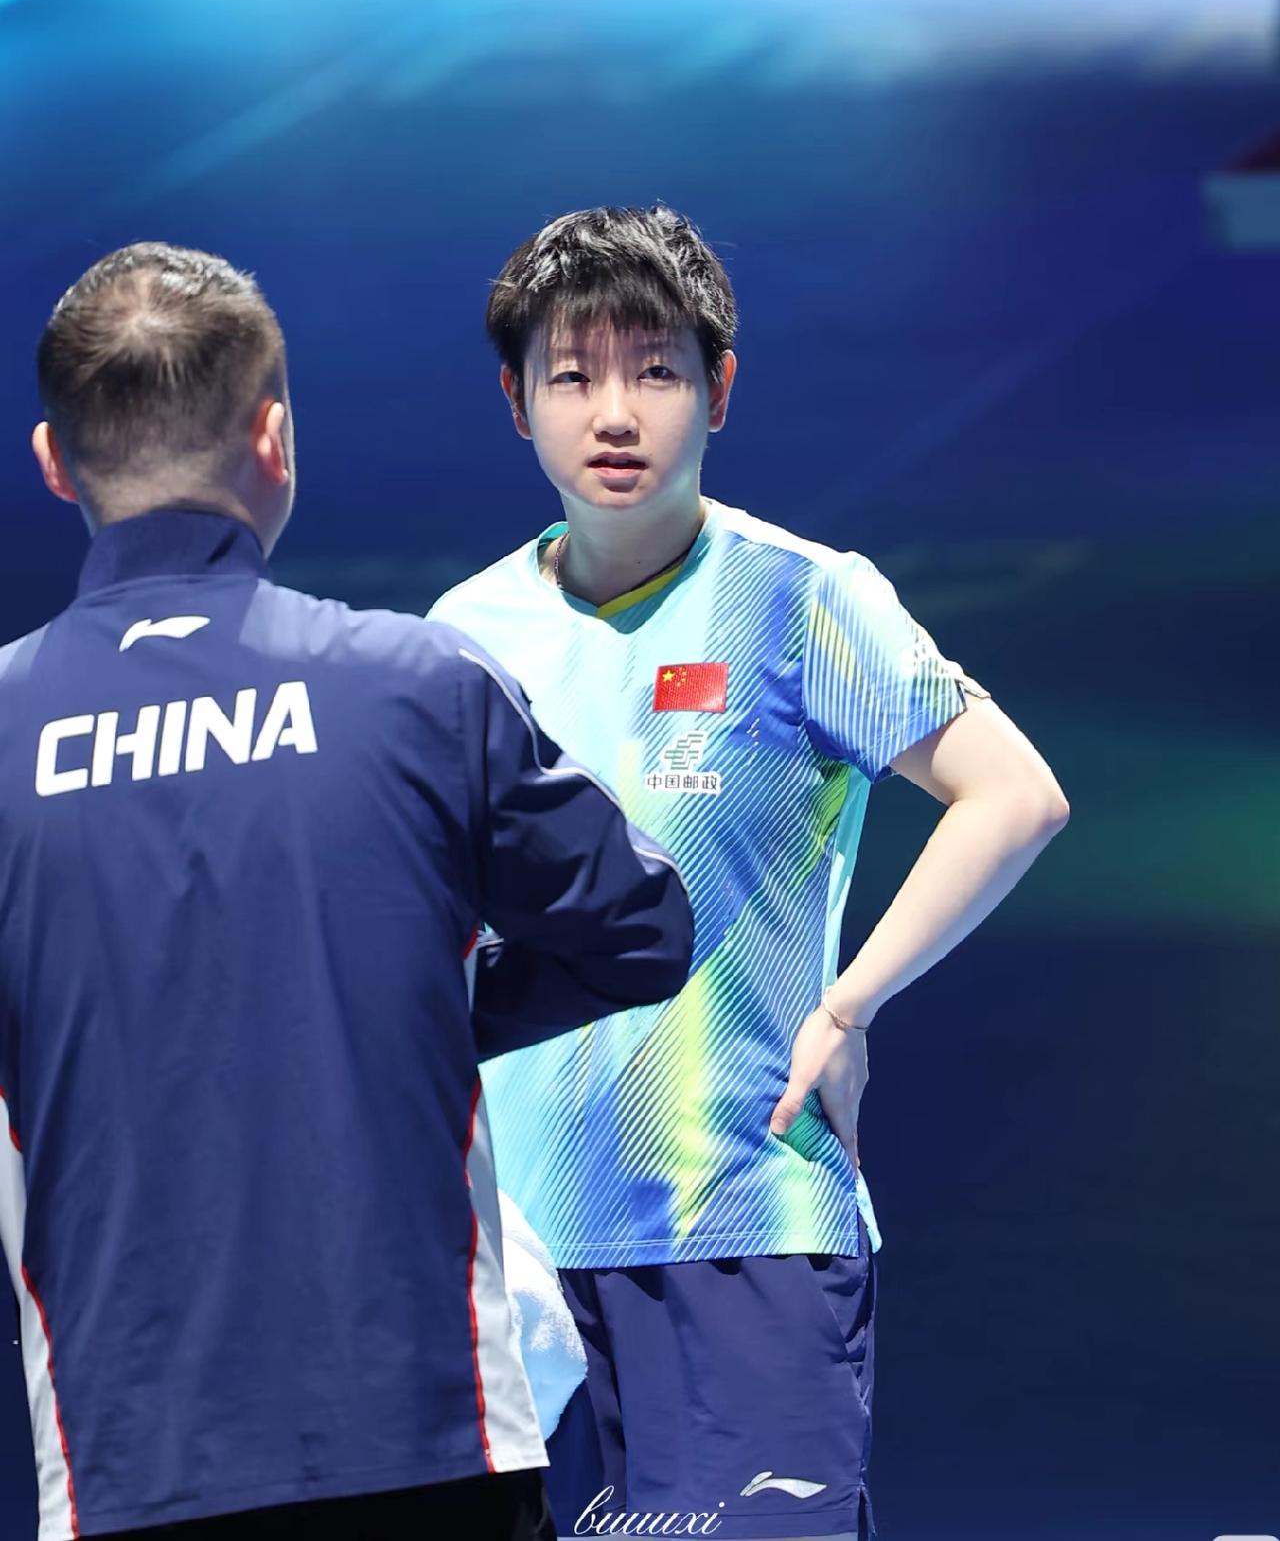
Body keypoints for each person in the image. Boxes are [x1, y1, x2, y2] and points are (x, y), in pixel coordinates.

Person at [0, 243, 695, 1541]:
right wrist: (430, 1007)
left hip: (126, 1467)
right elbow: (642, 930)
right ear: (275, 439)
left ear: (53, 460)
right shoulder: (419, 685)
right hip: (434, 1440)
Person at [428, 204, 1070, 1541]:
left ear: (718, 390)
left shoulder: (802, 597)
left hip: (742, 1224)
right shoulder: (460, 640)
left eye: (657, 372)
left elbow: (1015, 796)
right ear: (515, 401)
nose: (616, 414)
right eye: (572, 376)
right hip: (517, 1260)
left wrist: (850, 1005)